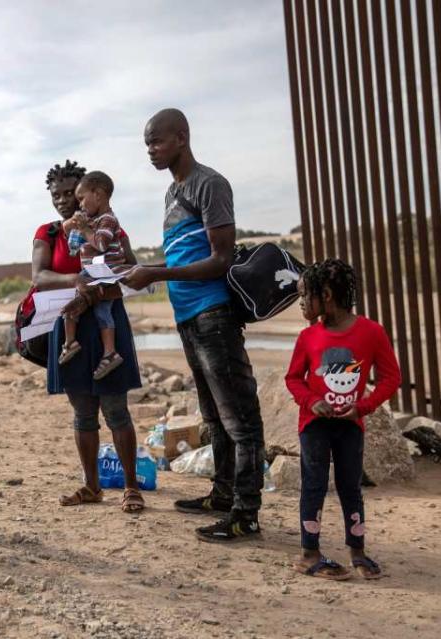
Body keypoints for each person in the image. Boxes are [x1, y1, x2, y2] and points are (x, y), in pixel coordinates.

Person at [123, 108, 265, 541]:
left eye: (157, 142)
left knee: (240, 419)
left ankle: (245, 513)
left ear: (182, 137)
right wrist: (141, 268)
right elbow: (183, 256)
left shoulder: (210, 184)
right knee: (213, 417)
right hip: (187, 317)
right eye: (147, 144)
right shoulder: (172, 193)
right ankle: (222, 495)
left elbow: (220, 259)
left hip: (213, 315)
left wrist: (156, 275)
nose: (150, 150)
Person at [32, 160, 145, 513]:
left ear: (89, 192)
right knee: (82, 411)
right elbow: (39, 276)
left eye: (72, 193)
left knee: (116, 408)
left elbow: (129, 266)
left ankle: (130, 487)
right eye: (58, 195)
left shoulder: (107, 226)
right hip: (70, 328)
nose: (66, 201)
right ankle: (91, 486)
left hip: (105, 320)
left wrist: (96, 289)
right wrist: (75, 283)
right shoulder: (49, 233)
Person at [285, 258, 400, 579]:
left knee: (351, 486)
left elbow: (392, 378)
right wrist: (312, 400)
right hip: (314, 425)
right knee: (314, 485)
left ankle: (358, 552)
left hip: (351, 425)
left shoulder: (372, 333)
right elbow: (293, 378)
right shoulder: (308, 337)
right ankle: (309, 554)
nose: (302, 304)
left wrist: (364, 406)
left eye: (305, 296)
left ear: (327, 295)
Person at [58, 170, 127, 380]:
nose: (79, 204)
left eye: (81, 198)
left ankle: (71, 342)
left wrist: (85, 228)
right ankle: (109, 353)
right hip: (96, 274)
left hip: (102, 274)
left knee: (71, 304)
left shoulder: (107, 220)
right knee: (102, 314)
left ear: (98, 194)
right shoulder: (94, 219)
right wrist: (73, 226)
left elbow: (100, 244)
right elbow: (69, 236)